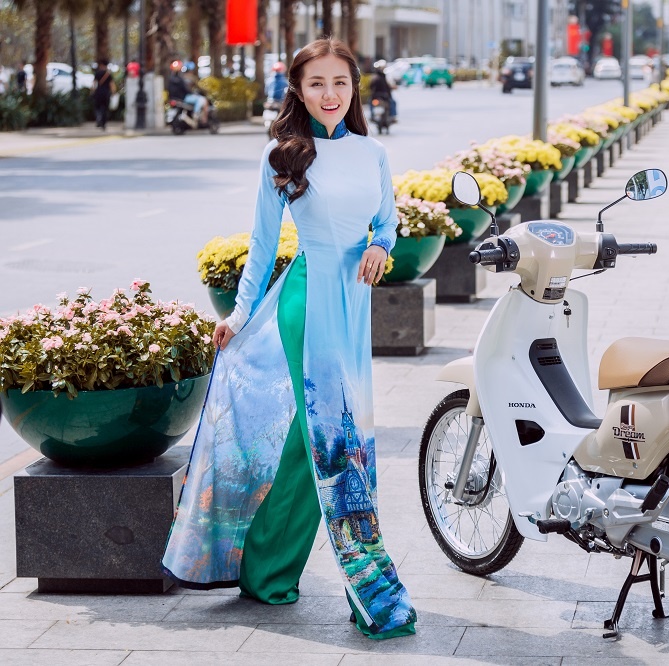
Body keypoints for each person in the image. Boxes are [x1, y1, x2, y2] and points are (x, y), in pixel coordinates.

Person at [161, 38, 416, 640]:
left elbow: (388, 220)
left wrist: (381, 246)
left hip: (354, 307)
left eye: (340, 83)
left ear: (354, 89)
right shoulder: (283, 156)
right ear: (298, 90)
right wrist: (238, 315)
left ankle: (266, 568)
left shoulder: (372, 152)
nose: (330, 94)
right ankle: (370, 589)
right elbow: (262, 243)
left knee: (314, 445)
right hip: (308, 303)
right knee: (338, 444)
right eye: (316, 83)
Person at [166, 60, 207, 125]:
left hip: (175, 98)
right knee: (201, 99)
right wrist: (192, 93)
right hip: (183, 98)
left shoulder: (171, 80)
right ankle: (195, 114)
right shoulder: (181, 79)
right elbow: (186, 89)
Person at [91, 58, 114, 130]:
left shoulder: (97, 73)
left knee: (98, 107)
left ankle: (99, 119)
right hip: (106, 93)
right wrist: (113, 92)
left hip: (98, 93)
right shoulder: (108, 75)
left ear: (101, 65)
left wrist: (92, 91)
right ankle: (103, 123)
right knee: (105, 108)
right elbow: (112, 85)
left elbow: (94, 84)